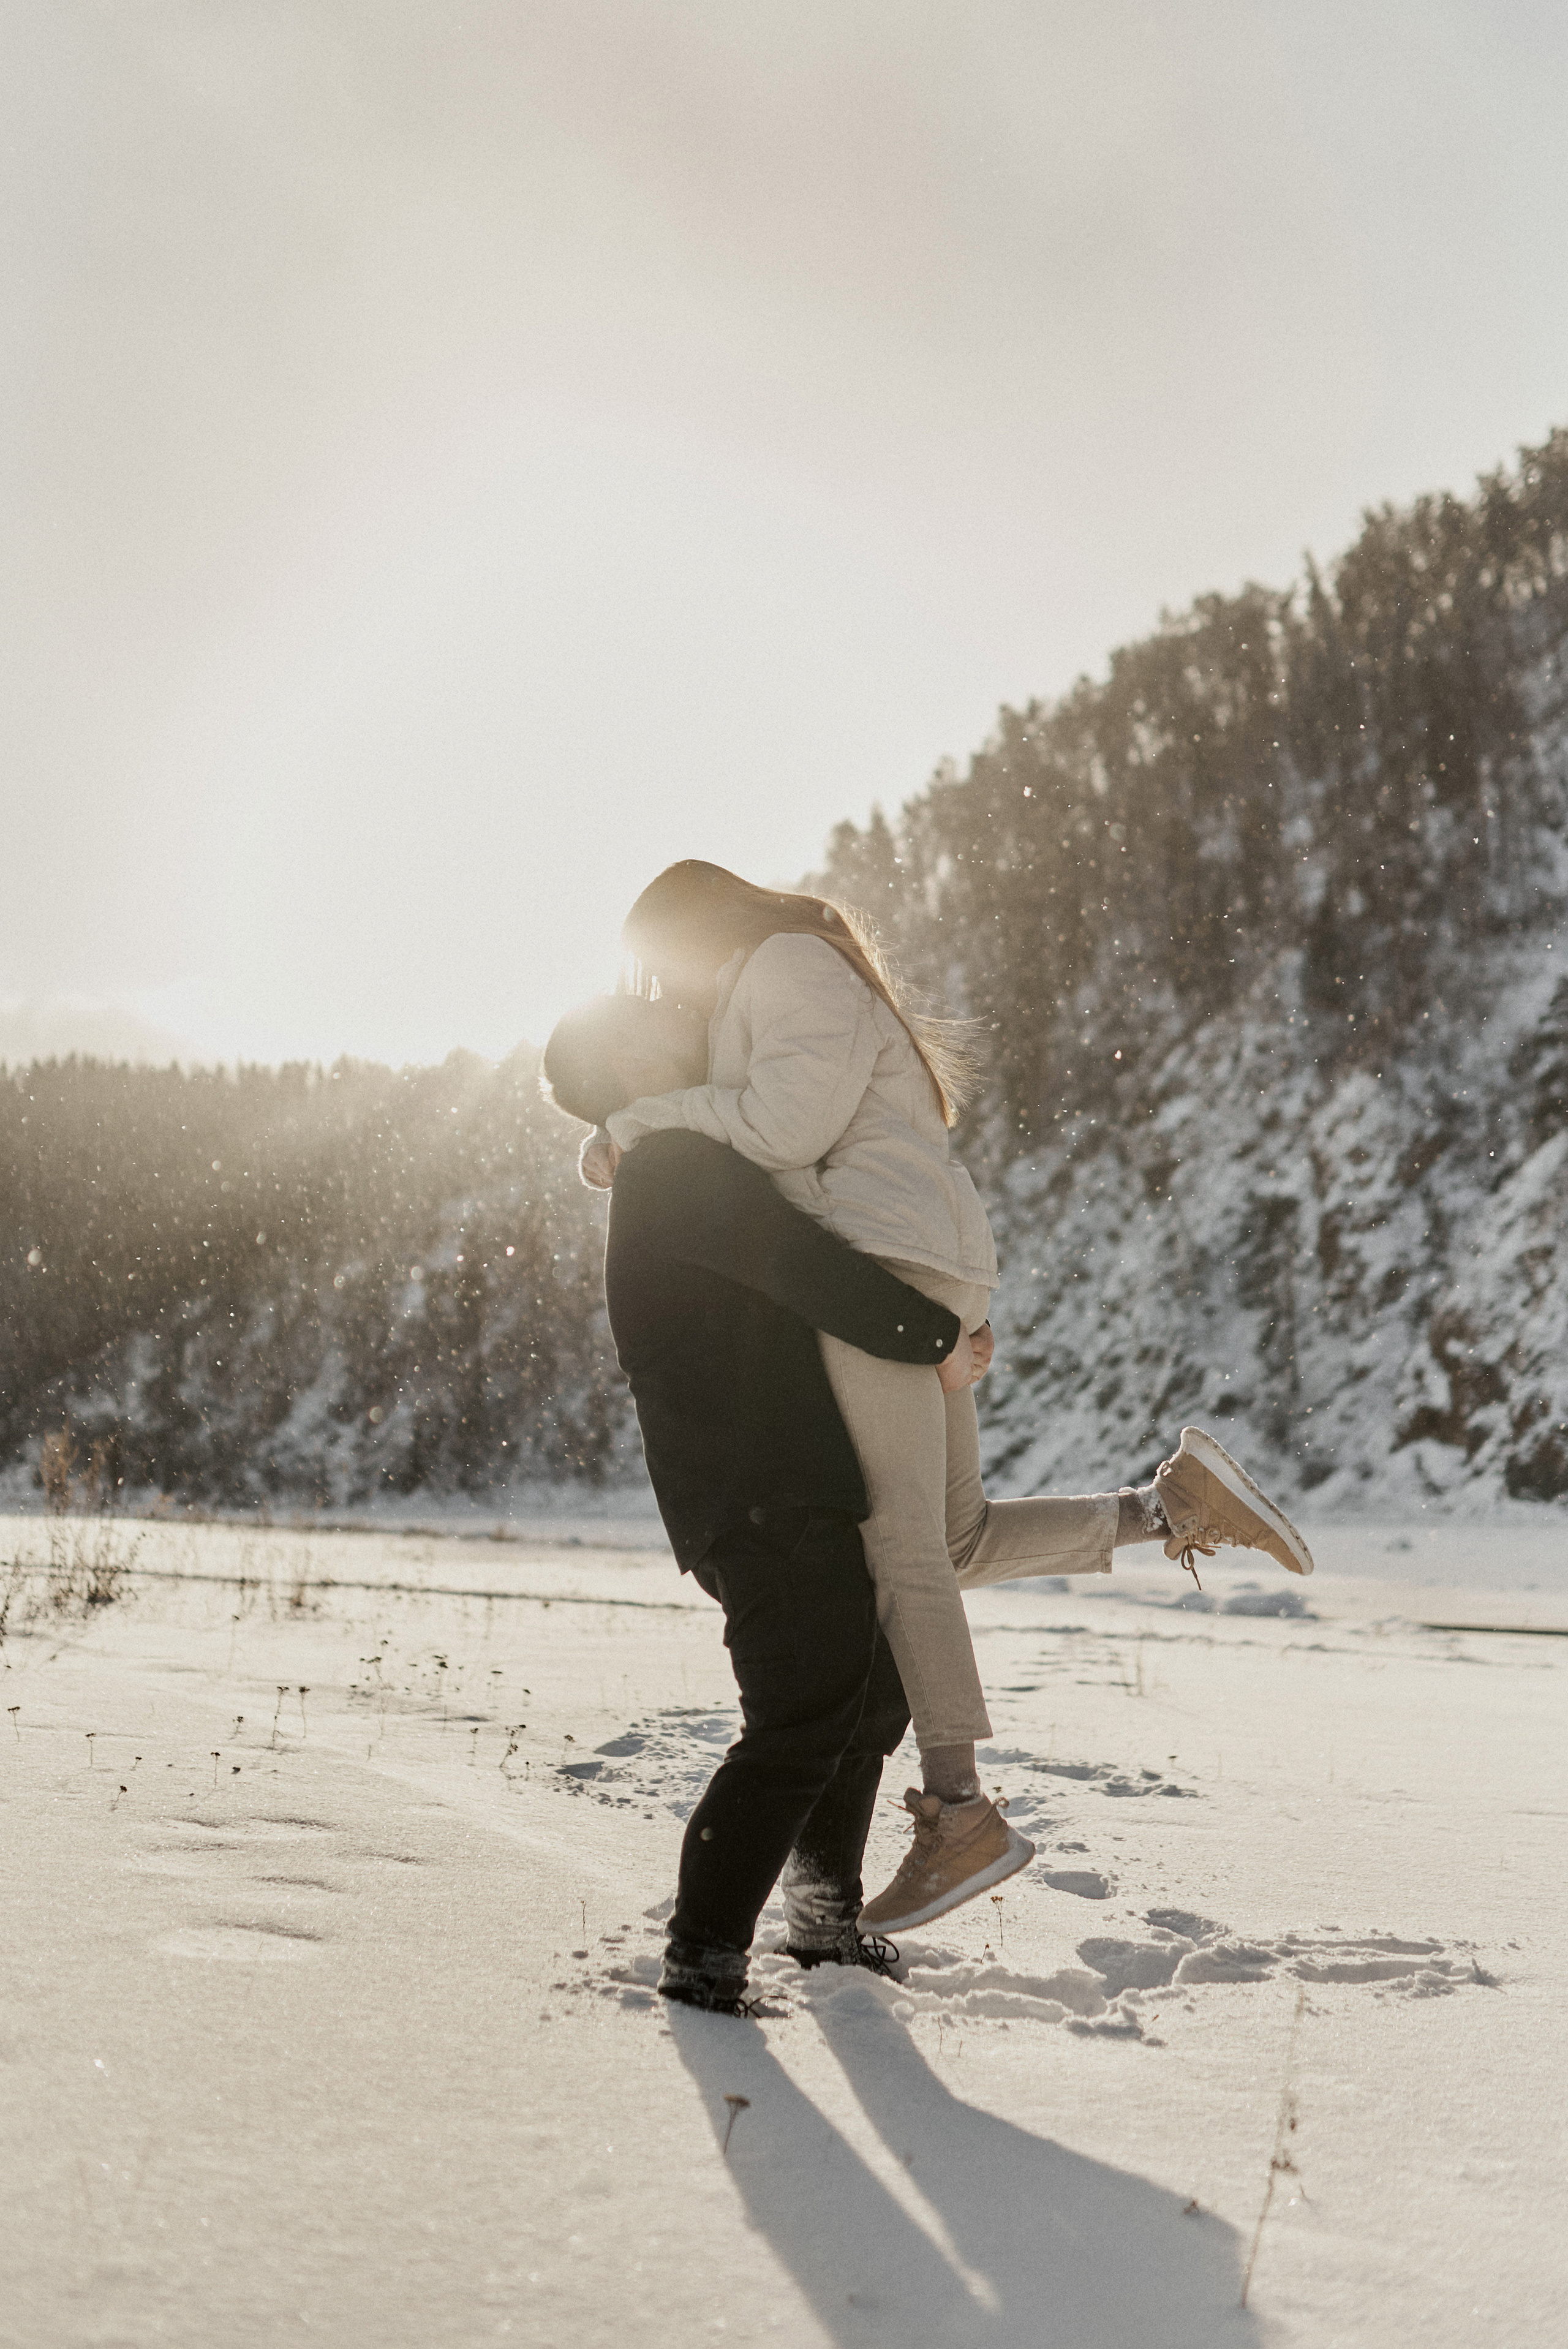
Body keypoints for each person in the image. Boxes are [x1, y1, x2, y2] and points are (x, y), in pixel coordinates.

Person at [580, 861, 1316, 1934]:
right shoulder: (798, 971)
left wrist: (647, 1120)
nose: (660, 992)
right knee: (953, 1538)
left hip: (881, 1257)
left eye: (658, 965)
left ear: (692, 935)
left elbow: (781, 1130)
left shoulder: (784, 966)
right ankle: (1168, 1510)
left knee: (898, 1549)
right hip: (912, 1253)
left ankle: (961, 1809)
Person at [541, 988, 1030, 2012]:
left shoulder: (686, 1159)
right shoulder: (677, 1165)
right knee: (801, 1711)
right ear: (627, 1072)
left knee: (873, 1693)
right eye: (641, 1024)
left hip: (787, 1476)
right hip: (754, 1486)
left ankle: (820, 1918)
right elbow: (814, 1273)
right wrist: (936, 1338)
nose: (673, 1019)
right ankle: (704, 1951)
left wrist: (930, 1339)